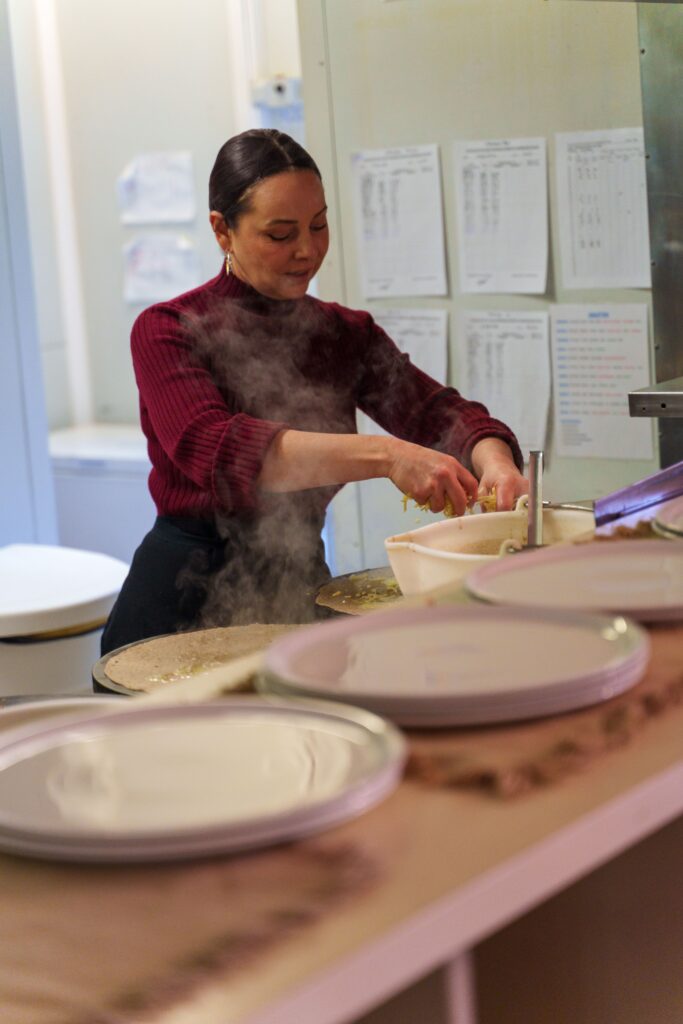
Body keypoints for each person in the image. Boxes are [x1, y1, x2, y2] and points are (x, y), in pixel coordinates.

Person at [100, 129, 527, 655]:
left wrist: (494, 461)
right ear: (222, 230)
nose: (307, 250)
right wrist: (388, 456)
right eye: (280, 234)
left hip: (299, 582)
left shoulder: (343, 333)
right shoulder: (168, 330)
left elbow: (436, 412)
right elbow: (220, 448)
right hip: (183, 597)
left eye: (319, 225)